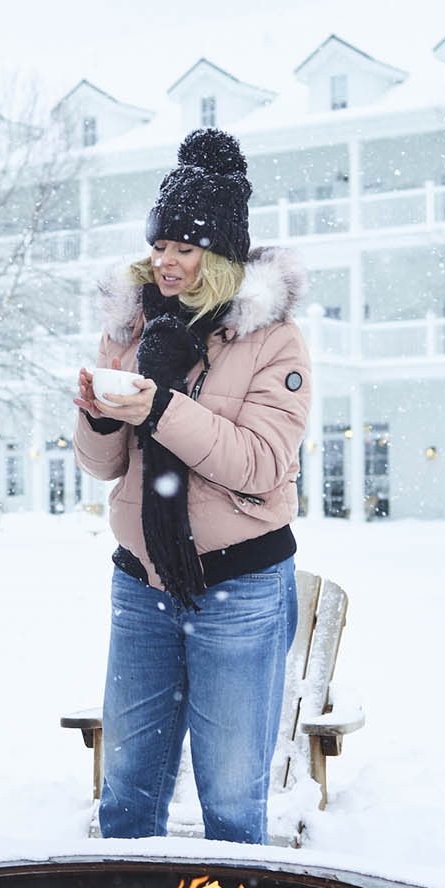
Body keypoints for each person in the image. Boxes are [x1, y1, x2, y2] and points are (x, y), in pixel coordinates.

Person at [73, 128, 312, 845]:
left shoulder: (273, 340)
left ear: (220, 255)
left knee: (231, 802)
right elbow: (104, 467)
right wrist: (98, 415)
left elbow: (260, 464)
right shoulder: (132, 328)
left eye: (183, 246)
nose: (165, 260)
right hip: (140, 584)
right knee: (126, 797)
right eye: (159, 244)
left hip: (239, 588)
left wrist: (160, 409)